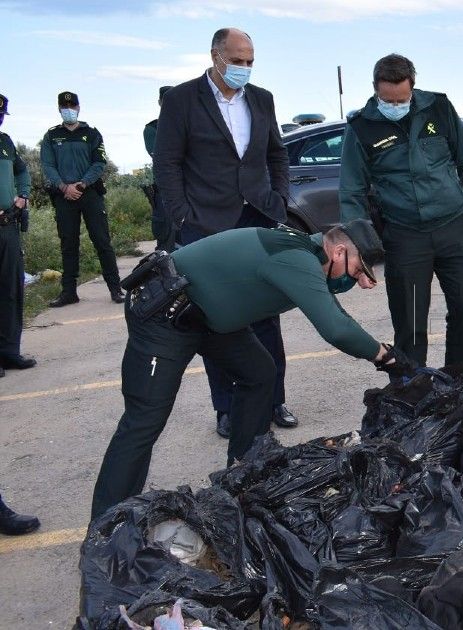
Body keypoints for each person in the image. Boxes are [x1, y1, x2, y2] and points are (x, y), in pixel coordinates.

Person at [90, 220, 407, 519]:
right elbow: (335, 328)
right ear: (338, 252)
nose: (358, 281)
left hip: (208, 316)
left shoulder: (307, 254)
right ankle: (105, 531)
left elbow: (336, 315)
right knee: (144, 420)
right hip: (163, 311)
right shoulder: (296, 258)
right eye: (357, 271)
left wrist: (383, 352)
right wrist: (382, 355)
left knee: (258, 373)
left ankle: (239, 475)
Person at [155, 28, 298, 437]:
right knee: (218, 320)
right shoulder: (181, 99)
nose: (245, 68)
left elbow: (276, 153)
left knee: (266, 315)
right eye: (237, 60)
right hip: (206, 224)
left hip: (258, 216)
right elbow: (167, 164)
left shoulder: (262, 99)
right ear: (216, 56)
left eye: (250, 61)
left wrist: (279, 199)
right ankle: (228, 408)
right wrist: (182, 216)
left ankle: (274, 399)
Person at [339, 53, 463, 384]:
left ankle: (459, 389)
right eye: (387, 100)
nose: (395, 105)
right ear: (375, 90)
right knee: (410, 324)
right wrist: (360, 250)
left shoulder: (438, 108)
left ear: (413, 87)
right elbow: (352, 193)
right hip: (405, 236)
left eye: (402, 99)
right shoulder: (361, 128)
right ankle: (412, 394)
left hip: (452, 228)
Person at [39, 91, 124, 307]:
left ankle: (116, 289)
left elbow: (99, 163)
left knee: (102, 241)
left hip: (90, 193)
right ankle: (69, 292)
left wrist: (81, 184)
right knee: (69, 244)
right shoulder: (51, 136)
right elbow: (48, 165)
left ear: (78, 108)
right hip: (64, 196)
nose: (69, 109)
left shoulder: (92, 133)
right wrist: (64, 186)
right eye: (64, 106)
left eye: (72, 106)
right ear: (59, 109)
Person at [0, 93, 36, 377]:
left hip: (8, 226)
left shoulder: (5, 142)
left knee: (11, 289)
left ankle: (9, 351)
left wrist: (22, 195)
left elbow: (23, 172)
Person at [143, 85, 174, 251]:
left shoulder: (192, 125)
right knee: (166, 238)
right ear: (160, 102)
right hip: (167, 191)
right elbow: (162, 155)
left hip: (192, 190)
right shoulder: (153, 129)